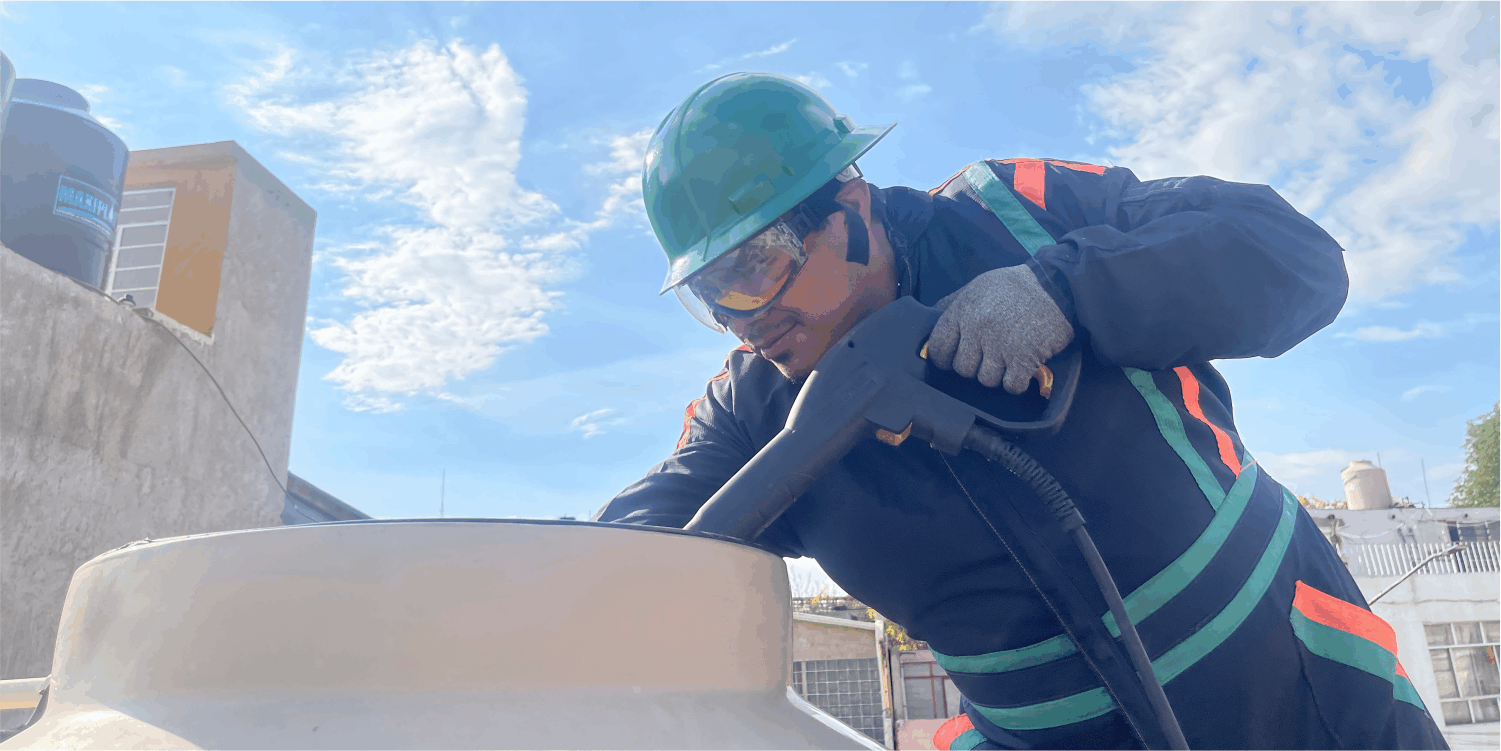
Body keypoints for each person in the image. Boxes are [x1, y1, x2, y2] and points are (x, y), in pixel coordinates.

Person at [593, 73, 1448, 750]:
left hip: (1302, 695)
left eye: (756, 269)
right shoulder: (747, 409)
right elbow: (636, 547)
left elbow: (1292, 256)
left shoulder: (1012, 211)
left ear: (848, 214)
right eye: (715, 295)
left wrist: (1070, 287)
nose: (748, 321)